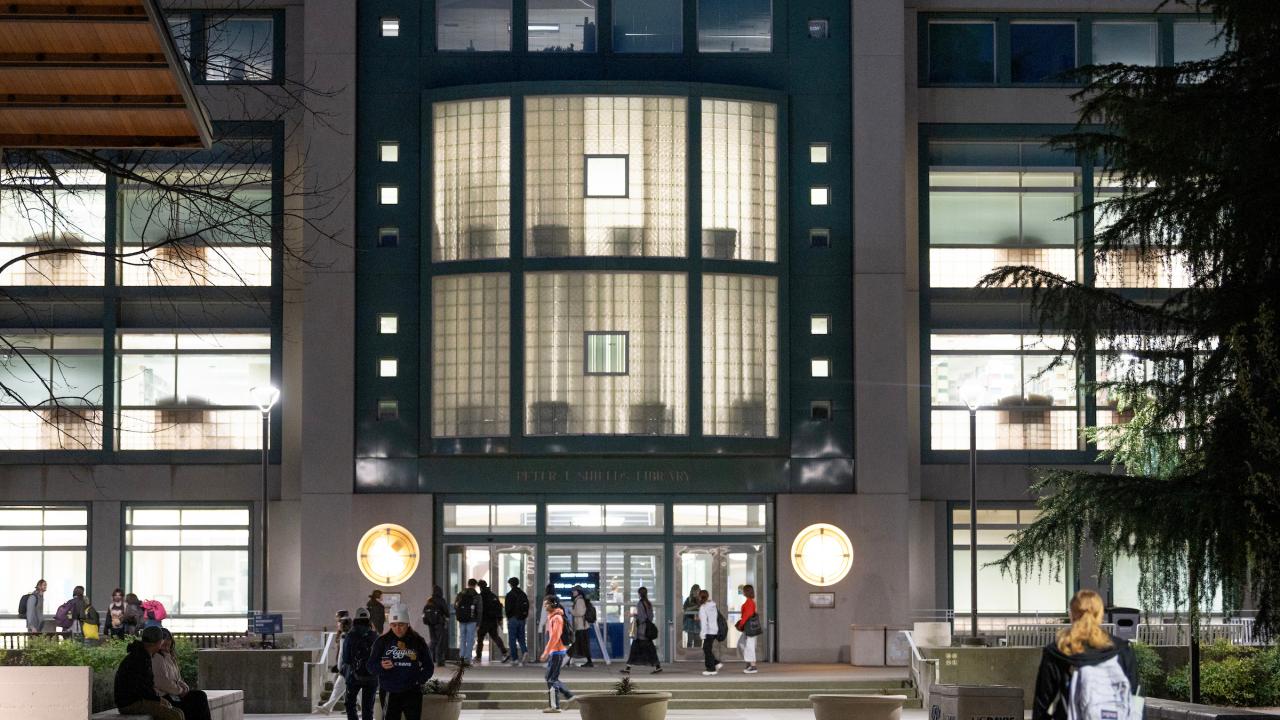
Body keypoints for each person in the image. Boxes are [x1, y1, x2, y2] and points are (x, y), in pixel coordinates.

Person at [1033, 589, 1140, 720]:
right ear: (1101, 615)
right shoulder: (1121, 650)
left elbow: (1043, 702)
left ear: (1071, 615)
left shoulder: (1058, 651)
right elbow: (1136, 697)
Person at [367, 604, 433, 720]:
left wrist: (419, 679)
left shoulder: (418, 641)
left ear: (408, 624)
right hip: (389, 691)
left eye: (401, 625)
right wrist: (381, 666)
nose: (397, 628)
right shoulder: (382, 641)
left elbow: (429, 666)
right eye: (394, 625)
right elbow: (370, 666)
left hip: (412, 691)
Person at [113, 625, 182, 720]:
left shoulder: (141, 654)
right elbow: (143, 688)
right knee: (175, 716)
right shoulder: (141, 658)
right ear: (159, 642)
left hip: (132, 701)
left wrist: (158, 699)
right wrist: (158, 700)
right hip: (131, 703)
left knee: (178, 712)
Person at [153, 628, 211, 720]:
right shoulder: (156, 657)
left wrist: (185, 687)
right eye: (163, 639)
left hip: (175, 693)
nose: (166, 642)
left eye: (168, 639)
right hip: (164, 697)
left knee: (200, 696)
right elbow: (162, 682)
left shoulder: (170, 657)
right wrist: (180, 691)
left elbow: (178, 679)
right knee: (192, 706)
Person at [539, 595, 576, 714]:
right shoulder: (553, 617)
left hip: (557, 652)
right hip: (555, 652)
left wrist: (546, 652)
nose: (545, 606)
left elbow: (555, 637)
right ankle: (568, 694)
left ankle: (555, 706)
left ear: (553, 604)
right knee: (549, 677)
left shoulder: (557, 618)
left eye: (547, 604)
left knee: (551, 679)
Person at [341, 607, 378, 720]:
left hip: (354, 676)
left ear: (355, 619)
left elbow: (346, 659)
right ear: (368, 620)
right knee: (368, 708)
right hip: (372, 677)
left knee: (350, 704)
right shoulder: (375, 636)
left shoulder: (350, 636)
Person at [621, 586, 662, 675]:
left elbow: (642, 617)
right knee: (650, 649)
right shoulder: (648, 603)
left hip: (641, 631)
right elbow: (650, 617)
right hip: (647, 630)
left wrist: (633, 615)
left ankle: (628, 668)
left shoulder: (640, 603)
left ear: (639, 594)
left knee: (635, 649)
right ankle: (657, 666)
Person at [476, 579, 508, 663]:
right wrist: (499, 619)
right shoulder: (493, 596)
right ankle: (504, 652)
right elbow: (499, 607)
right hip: (493, 621)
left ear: (480, 587)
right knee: (495, 637)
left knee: (480, 639)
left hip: (483, 621)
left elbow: (478, 609)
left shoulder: (480, 596)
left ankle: (478, 656)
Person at [453, 579, 482, 667]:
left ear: (468, 584)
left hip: (462, 620)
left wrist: (460, 614)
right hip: (472, 620)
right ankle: (467, 659)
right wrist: (479, 623)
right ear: (475, 585)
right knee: (470, 639)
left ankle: (461, 657)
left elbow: (455, 605)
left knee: (462, 639)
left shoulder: (461, 594)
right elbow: (480, 610)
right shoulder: (477, 596)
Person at [505, 577, 530, 666]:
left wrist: (508, 617)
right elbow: (527, 606)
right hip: (522, 619)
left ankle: (515, 658)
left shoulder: (510, 594)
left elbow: (507, 608)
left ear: (511, 584)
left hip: (513, 619)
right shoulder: (523, 594)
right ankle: (524, 651)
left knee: (512, 639)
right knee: (521, 638)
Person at [698, 589, 723, 676]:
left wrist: (702, 634)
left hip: (708, 631)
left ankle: (711, 669)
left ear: (700, 597)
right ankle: (716, 663)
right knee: (707, 649)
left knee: (706, 649)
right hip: (714, 630)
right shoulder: (713, 606)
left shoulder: (703, 607)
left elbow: (704, 622)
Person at [422, 587, 450, 663]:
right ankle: (439, 660)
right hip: (439, 623)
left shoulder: (429, 600)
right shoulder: (441, 600)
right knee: (440, 641)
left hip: (430, 624)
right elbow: (446, 611)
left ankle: (430, 658)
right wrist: (447, 617)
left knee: (433, 640)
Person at [569, 586, 594, 668]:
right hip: (581, 626)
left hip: (581, 627)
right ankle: (568, 660)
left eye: (574, 591)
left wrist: (571, 611)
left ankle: (567, 660)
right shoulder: (579, 600)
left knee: (578, 644)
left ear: (578, 591)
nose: (572, 592)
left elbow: (580, 613)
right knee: (579, 644)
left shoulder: (579, 601)